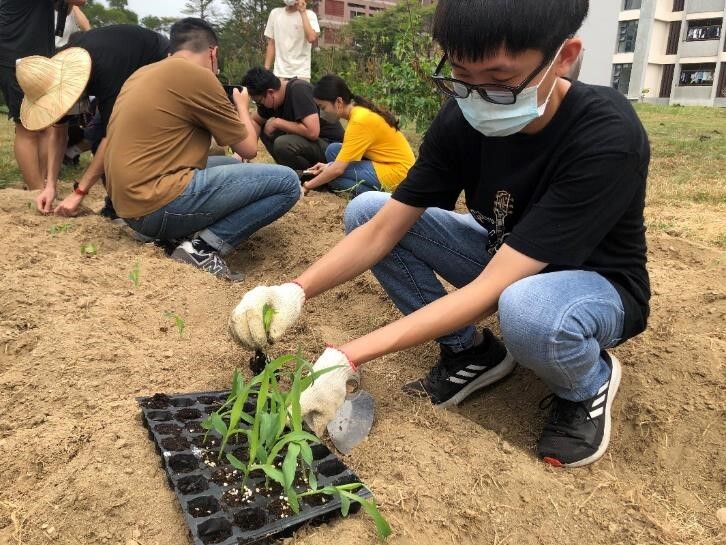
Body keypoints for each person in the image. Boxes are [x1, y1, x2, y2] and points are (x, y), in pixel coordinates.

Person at [230, 0, 651, 469]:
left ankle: (586, 382)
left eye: (499, 80)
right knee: (369, 210)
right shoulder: (464, 115)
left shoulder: (606, 135)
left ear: (565, 56)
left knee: (526, 308)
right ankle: (470, 352)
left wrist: (349, 356)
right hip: (504, 253)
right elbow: (385, 230)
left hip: (591, 283)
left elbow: (494, 289)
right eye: (461, 74)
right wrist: (295, 290)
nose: (476, 95)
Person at [104, 18, 300, 281]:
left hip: (128, 206)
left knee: (232, 165)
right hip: (154, 208)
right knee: (287, 182)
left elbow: (223, 149)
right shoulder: (198, 76)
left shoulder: (142, 73)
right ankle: (202, 248)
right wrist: (242, 106)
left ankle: (176, 233)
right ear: (212, 52)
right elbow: (249, 148)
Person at [19, 24, 170, 217]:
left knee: (120, 142)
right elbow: (58, 134)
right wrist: (50, 185)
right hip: (116, 66)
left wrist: (79, 192)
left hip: (155, 64)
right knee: (95, 136)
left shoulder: (106, 71)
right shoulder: (56, 73)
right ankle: (115, 205)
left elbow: (113, 138)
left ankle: (136, 208)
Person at [0, 0, 86, 191]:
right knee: (27, 127)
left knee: (46, 124)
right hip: (18, 56)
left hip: (32, 54)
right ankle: (37, 190)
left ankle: (42, 185)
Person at [302, 74, 415, 197]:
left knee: (334, 178)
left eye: (322, 107)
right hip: (391, 165)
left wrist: (308, 185)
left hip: (398, 173)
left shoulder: (358, 121)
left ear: (339, 102)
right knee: (333, 150)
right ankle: (372, 190)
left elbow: (338, 169)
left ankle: (382, 195)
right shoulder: (358, 111)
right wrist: (327, 167)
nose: (321, 113)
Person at [241, 66, 344, 171]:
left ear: (270, 92)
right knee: (264, 128)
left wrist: (278, 123)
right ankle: (294, 173)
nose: (259, 105)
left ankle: (307, 177)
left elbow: (313, 132)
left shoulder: (298, 89)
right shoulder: (271, 101)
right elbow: (255, 121)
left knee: (282, 143)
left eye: (259, 101)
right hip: (314, 146)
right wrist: (243, 152)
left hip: (333, 148)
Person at [264, 0, 319, 81]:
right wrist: (266, 70)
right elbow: (271, 43)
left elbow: (311, 38)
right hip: (279, 73)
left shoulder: (310, 15)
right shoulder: (275, 13)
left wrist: (302, 12)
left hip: (301, 74)